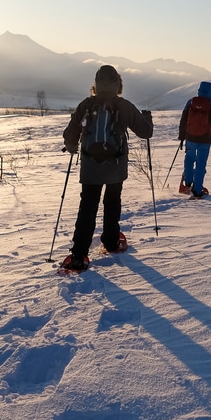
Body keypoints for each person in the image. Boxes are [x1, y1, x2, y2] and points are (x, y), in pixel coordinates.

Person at [60, 65, 153, 271]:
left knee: (88, 207)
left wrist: (71, 146)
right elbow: (146, 132)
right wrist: (147, 119)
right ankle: (111, 241)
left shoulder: (86, 104)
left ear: (96, 84)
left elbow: (70, 134)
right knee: (112, 202)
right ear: (118, 84)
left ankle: (79, 255)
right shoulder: (124, 106)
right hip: (116, 166)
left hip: (90, 167)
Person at [178, 81, 211, 198]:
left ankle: (187, 182)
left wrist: (182, 136)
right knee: (201, 163)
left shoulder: (190, 103)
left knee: (189, 158)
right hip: (205, 140)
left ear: (199, 90)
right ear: (210, 92)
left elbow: (183, 120)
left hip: (190, 137)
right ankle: (197, 190)